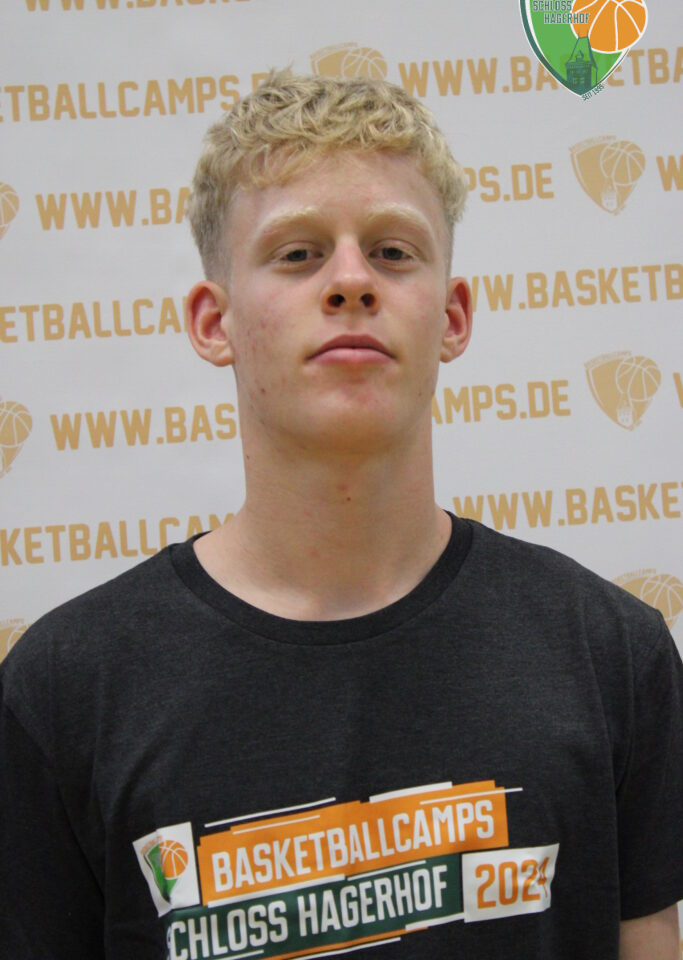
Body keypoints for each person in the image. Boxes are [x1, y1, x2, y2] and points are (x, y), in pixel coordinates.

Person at [1, 70, 681, 960]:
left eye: (393, 251)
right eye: (297, 254)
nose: (352, 280)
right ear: (213, 321)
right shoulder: (66, 690)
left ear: (452, 316)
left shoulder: (609, 655)